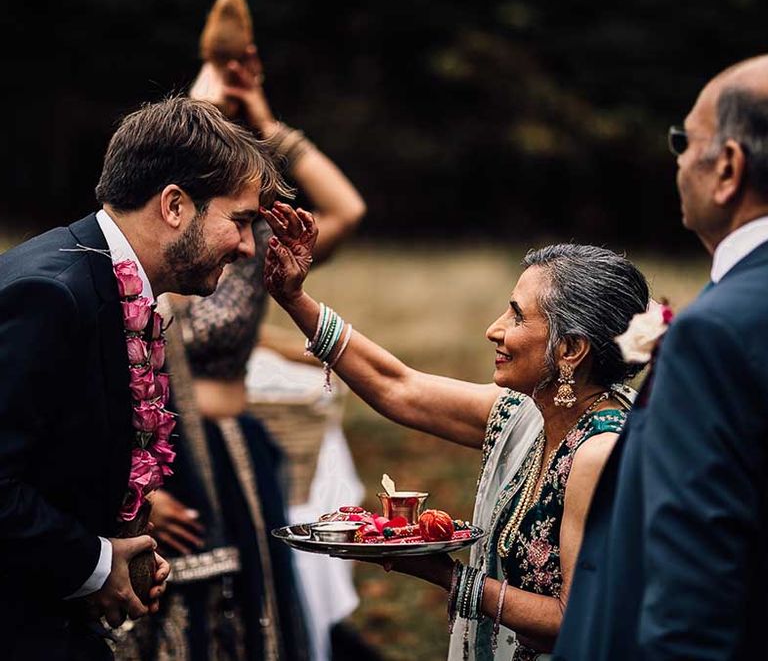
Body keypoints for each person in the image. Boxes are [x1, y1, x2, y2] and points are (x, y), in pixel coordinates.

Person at [260, 202, 650, 660]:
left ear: (570, 349)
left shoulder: (599, 452)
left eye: (517, 315)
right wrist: (294, 299)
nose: (494, 330)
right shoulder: (525, 415)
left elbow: (576, 620)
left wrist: (446, 576)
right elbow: (397, 387)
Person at [120, 0, 366, 661]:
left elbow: (349, 210)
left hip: (239, 454)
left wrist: (267, 121)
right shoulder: (158, 254)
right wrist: (202, 102)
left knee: (258, 619)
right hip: (165, 468)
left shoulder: (254, 248)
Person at [0, 95, 287, 659]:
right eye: (242, 220)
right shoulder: (51, 294)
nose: (250, 246)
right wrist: (95, 564)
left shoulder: (106, 280)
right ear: (176, 205)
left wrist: (119, 538)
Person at [554, 56, 768, 660]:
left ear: (727, 168)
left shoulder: (716, 333)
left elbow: (694, 582)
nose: (676, 159)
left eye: (684, 140)